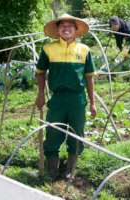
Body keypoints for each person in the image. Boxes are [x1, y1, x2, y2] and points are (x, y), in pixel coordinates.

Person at [35, 14, 97, 180]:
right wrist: (40, 94)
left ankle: (70, 168)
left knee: (77, 133)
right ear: (57, 29)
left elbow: (89, 77)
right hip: (57, 99)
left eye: (70, 25)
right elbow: (40, 73)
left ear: (76, 30)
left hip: (77, 99)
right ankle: (52, 169)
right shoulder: (49, 49)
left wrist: (92, 103)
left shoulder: (84, 50)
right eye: (62, 25)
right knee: (53, 131)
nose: (66, 28)